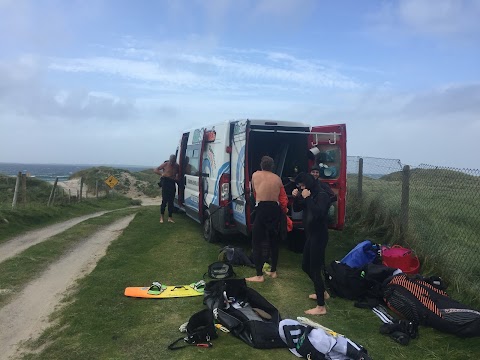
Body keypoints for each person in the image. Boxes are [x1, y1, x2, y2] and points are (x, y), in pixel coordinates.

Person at [292, 172, 331, 315]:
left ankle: (321, 307)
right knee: (305, 266)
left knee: (314, 268)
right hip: (311, 235)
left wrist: (307, 198)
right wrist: (296, 198)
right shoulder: (308, 194)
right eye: (299, 186)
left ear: (308, 184)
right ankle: (322, 292)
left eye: (302, 185)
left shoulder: (322, 195)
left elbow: (319, 213)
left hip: (319, 236)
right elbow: (296, 209)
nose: (301, 188)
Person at [246, 156, 283, 283]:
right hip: (274, 209)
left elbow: (253, 192)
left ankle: (259, 275)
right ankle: (273, 271)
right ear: (272, 166)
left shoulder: (255, 175)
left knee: (256, 241)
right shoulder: (277, 178)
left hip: (262, 208)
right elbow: (280, 194)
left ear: (261, 165)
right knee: (274, 241)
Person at [154, 154, 179, 223]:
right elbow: (156, 169)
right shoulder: (165, 164)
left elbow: (179, 173)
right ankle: (161, 217)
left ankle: (170, 217)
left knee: (171, 201)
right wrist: (161, 174)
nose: (172, 163)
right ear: (170, 159)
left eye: (173, 161)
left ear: (175, 160)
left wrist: (177, 177)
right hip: (165, 182)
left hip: (172, 183)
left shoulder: (176, 166)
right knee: (164, 201)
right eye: (171, 161)